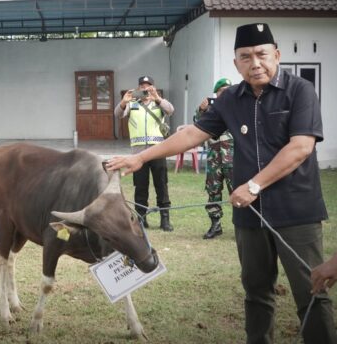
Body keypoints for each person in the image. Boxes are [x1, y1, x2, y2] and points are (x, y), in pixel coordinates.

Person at [107, 23, 336, 343]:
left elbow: (300, 148)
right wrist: (142, 157)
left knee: (311, 292)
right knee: (256, 293)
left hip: (296, 211)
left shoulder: (300, 91)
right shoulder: (230, 99)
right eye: (246, 57)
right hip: (249, 216)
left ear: (277, 55)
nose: (255, 63)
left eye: (262, 54)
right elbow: (191, 134)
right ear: (236, 63)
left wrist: (255, 185)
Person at [115, 75, 174, 231]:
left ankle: (165, 218)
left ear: (153, 87)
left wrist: (158, 98)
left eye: (148, 86)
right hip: (138, 152)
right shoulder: (132, 104)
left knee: (161, 184)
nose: (144, 88)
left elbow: (171, 110)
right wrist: (123, 102)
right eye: (142, 86)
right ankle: (141, 218)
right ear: (138, 88)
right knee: (140, 186)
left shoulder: (159, 103)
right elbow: (118, 114)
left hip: (158, 150)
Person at [193, 78, 234, 239]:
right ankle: (215, 225)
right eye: (221, 90)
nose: (225, 93)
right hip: (214, 157)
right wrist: (202, 110)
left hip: (233, 157)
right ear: (216, 93)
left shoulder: (239, 107)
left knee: (237, 191)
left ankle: (243, 227)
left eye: (228, 90)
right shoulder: (211, 110)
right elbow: (197, 126)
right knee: (213, 191)